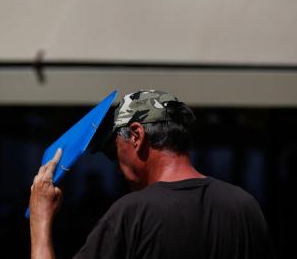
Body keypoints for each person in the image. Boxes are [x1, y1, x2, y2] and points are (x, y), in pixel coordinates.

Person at [29, 90, 276, 259]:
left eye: (112, 151)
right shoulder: (245, 206)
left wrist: (40, 219)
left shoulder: (132, 214)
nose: (115, 164)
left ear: (136, 136)